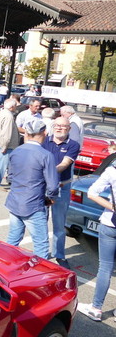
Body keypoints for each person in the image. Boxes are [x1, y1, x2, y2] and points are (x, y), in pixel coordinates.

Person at [4, 119, 58, 259]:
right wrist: (51, 198)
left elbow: (10, 177)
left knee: (12, 240)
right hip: (34, 204)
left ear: (27, 133)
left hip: (15, 201)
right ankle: (40, 279)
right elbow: (52, 185)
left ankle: (5, 269)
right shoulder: (46, 155)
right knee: (41, 245)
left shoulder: (17, 151)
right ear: (44, 133)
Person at [78, 161, 116, 321]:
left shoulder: (112, 170)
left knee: (105, 267)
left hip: (111, 223)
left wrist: (112, 207)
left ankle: (96, 308)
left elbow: (92, 193)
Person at [42, 116, 80, 269]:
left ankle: (59, 255)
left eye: (63, 126)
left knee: (59, 225)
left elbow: (64, 164)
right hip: (43, 187)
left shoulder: (73, 145)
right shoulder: (44, 141)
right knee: (40, 222)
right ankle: (41, 255)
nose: (59, 128)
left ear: (69, 128)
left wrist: (48, 171)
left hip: (61, 188)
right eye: (56, 125)